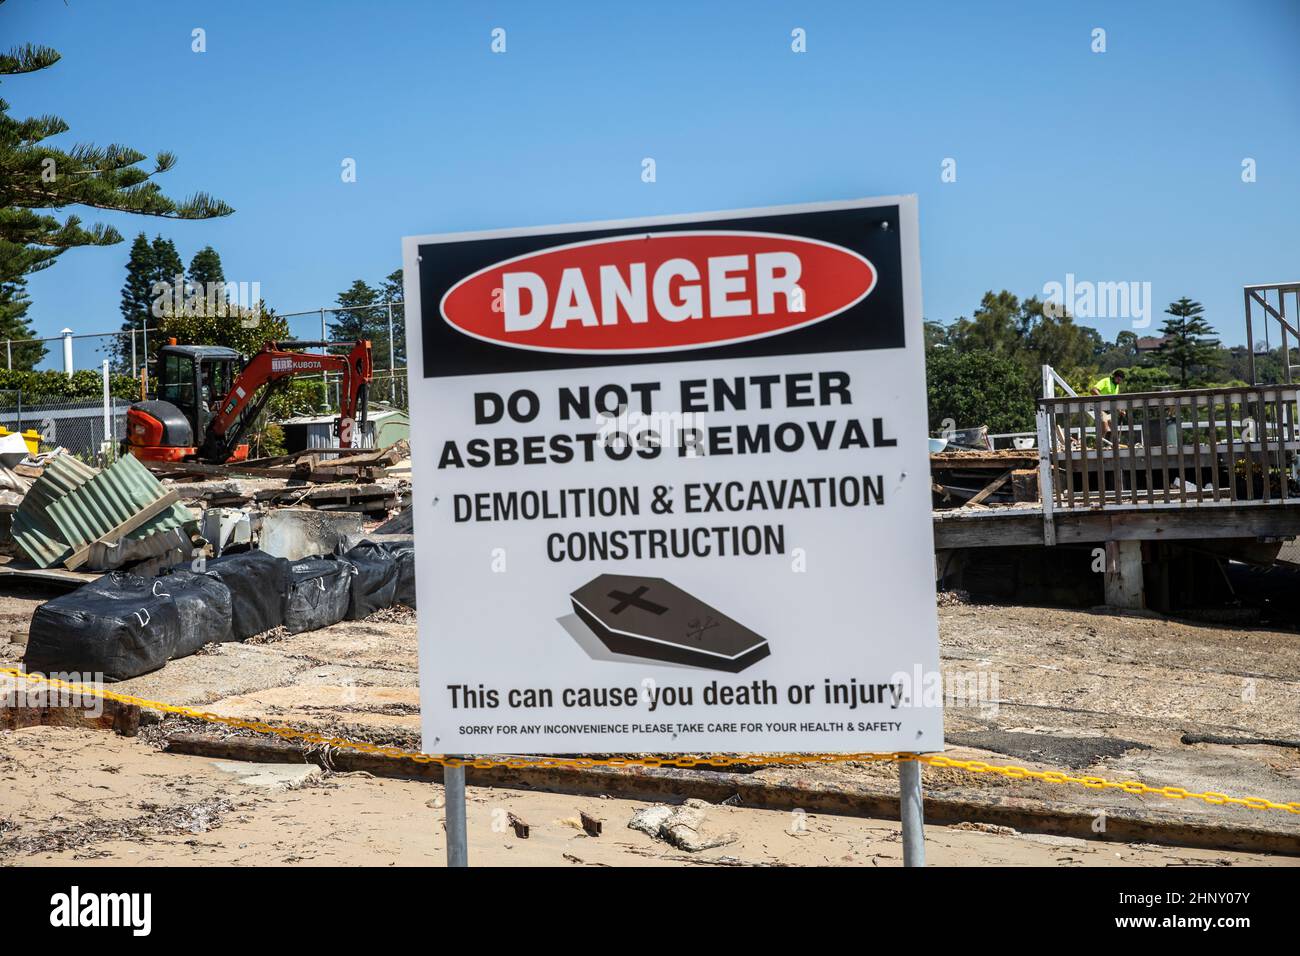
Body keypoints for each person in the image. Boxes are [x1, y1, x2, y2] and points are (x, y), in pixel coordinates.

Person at [1089, 369, 1125, 444]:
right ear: (1114, 377)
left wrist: (1120, 410)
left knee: (1114, 429)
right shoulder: (1106, 381)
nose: (1119, 382)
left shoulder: (1116, 386)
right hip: (1100, 408)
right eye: (1118, 379)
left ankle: (1112, 446)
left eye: (1121, 380)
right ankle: (1097, 446)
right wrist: (1103, 399)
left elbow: (1114, 401)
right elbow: (1093, 390)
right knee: (1105, 428)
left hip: (1108, 410)